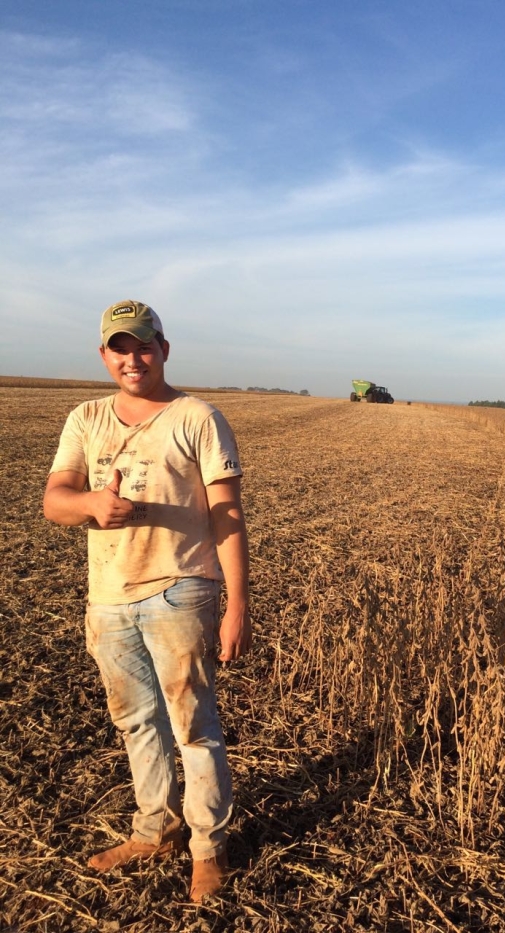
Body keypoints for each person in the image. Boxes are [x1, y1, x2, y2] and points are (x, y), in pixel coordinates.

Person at [43, 299, 251, 902]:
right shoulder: (86, 417)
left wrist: (237, 604)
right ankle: (155, 828)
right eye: (119, 347)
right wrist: (89, 505)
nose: (132, 358)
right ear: (104, 354)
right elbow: (55, 499)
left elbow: (228, 514)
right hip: (107, 597)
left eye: (143, 345)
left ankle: (208, 847)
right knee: (136, 722)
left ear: (163, 348)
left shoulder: (197, 417)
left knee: (193, 727)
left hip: (181, 589)